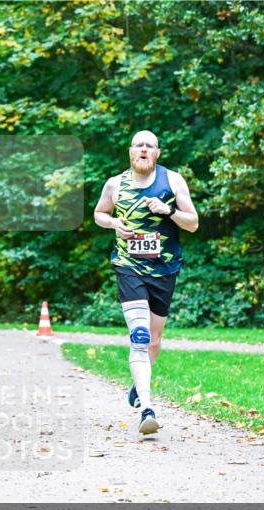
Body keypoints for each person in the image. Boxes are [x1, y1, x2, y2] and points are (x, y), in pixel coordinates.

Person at [93, 130, 199, 435]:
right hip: (129, 267)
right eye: (138, 145)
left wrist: (169, 211)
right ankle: (147, 409)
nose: (143, 150)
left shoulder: (173, 181)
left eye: (149, 146)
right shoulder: (115, 184)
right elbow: (99, 214)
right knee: (139, 337)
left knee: (153, 341)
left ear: (157, 153)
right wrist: (113, 222)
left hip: (164, 269)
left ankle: (139, 383)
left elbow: (193, 223)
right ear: (130, 152)